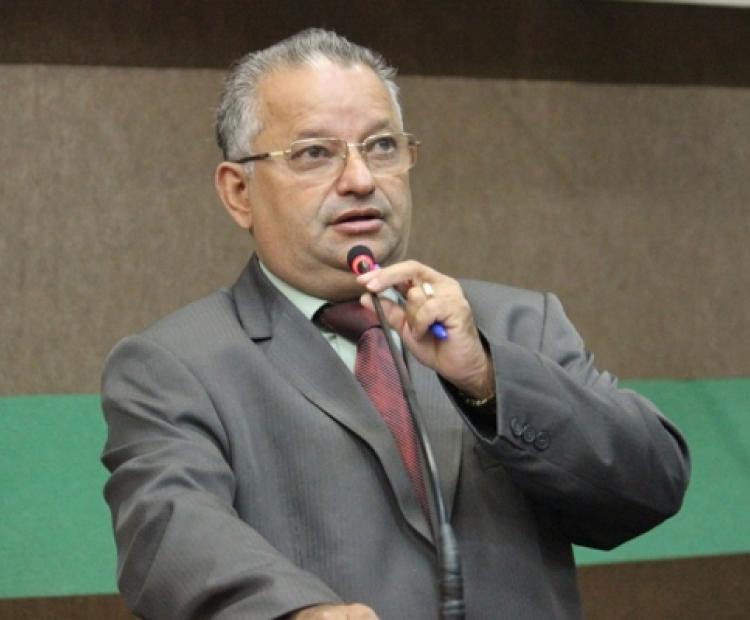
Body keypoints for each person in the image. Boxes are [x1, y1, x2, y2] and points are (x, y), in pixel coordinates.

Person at [101, 29, 690, 619]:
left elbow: (651, 485)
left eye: (382, 146)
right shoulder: (176, 365)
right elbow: (171, 531)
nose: (361, 179)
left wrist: (488, 381)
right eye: (314, 153)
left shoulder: (515, 324)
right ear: (238, 192)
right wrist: (296, 612)